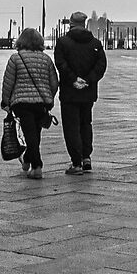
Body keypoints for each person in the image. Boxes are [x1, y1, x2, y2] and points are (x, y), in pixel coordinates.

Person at [0, 26, 59, 179]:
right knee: (35, 134)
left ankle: (37, 166)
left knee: (30, 134)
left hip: (22, 103)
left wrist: (5, 101)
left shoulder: (16, 58)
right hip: (41, 103)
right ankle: (27, 160)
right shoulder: (46, 59)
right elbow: (54, 83)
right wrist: (49, 98)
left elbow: (8, 83)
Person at [53, 11, 107, 175]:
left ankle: (76, 162)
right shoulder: (95, 43)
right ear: (84, 24)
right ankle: (86, 157)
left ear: (71, 23)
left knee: (71, 126)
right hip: (88, 92)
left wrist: (73, 79)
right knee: (85, 123)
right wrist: (88, 80)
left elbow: (60, 64)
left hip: (69, 92)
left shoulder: (62, 42)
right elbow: (101, 66)